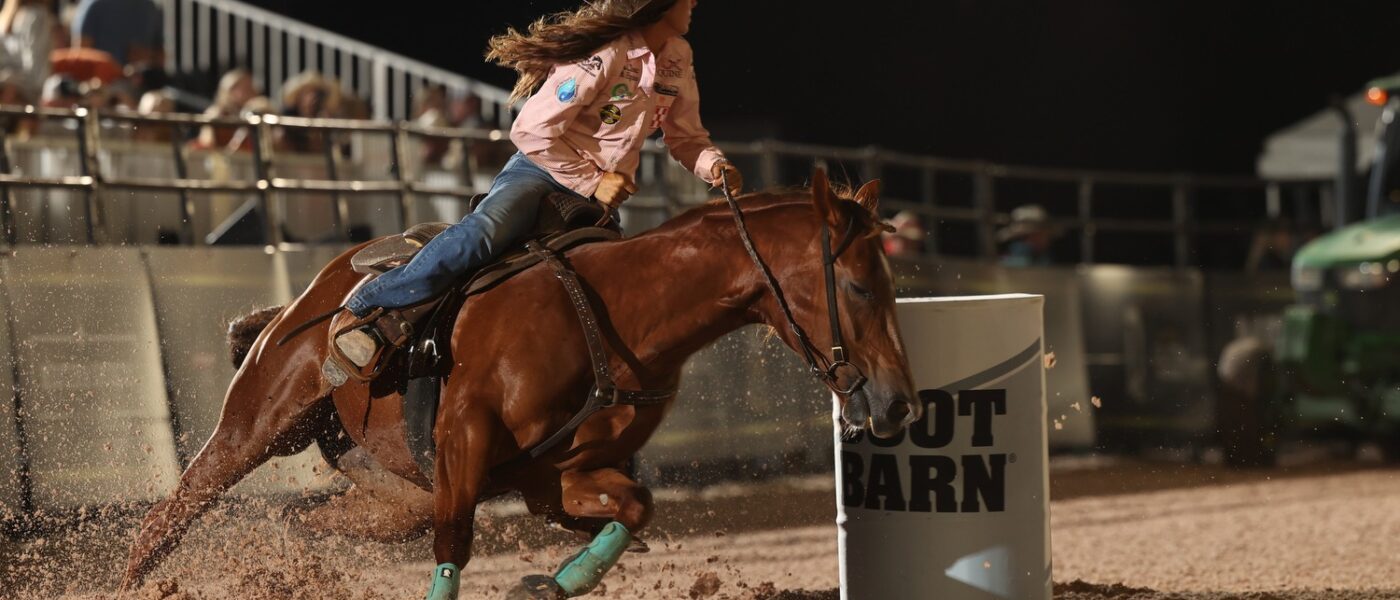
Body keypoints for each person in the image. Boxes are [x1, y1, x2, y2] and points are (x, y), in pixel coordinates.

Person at [335, 0, 742, 369]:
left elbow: (686, 137)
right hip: (539, 173)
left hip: (598, 197)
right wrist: (594, 182)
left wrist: (715, 167)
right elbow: (531, 131)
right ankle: (368, 303)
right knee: (482, 235)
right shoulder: (603, 53)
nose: (692, 3)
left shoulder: (678, 56)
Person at [71, 0, 161, 66]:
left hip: (103, 85)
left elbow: (81, 54)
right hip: (105, 84)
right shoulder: (149, 6)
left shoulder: (92, 4)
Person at [0, 0, 53, 100]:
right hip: (23, 97)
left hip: (13, 93)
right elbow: (36, 70)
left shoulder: (4, 17)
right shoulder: (37, 16)